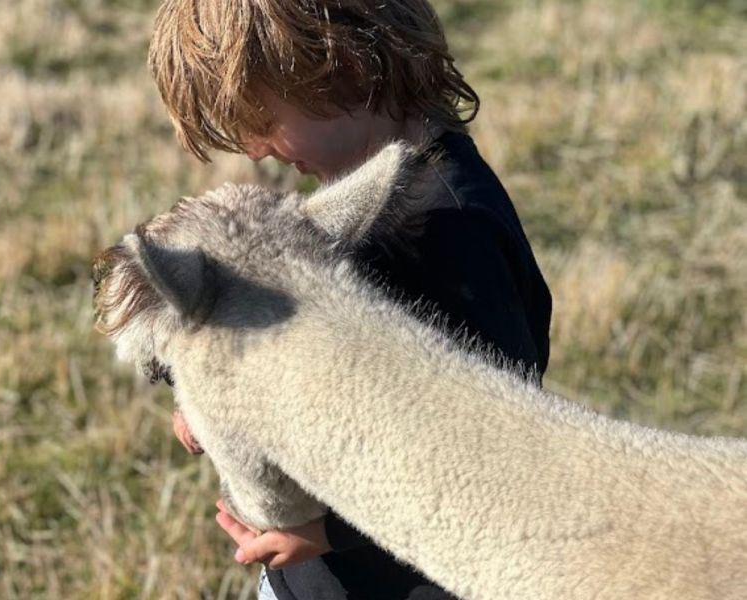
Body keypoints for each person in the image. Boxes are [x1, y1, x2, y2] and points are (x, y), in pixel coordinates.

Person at [148, 1, 552, 598]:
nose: (256, 149)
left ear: (340, 68)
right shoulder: (365, 190)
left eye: (261, 118)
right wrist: (211, 395)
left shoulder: (444, 230)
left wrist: (329, 531)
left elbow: (492, 443)